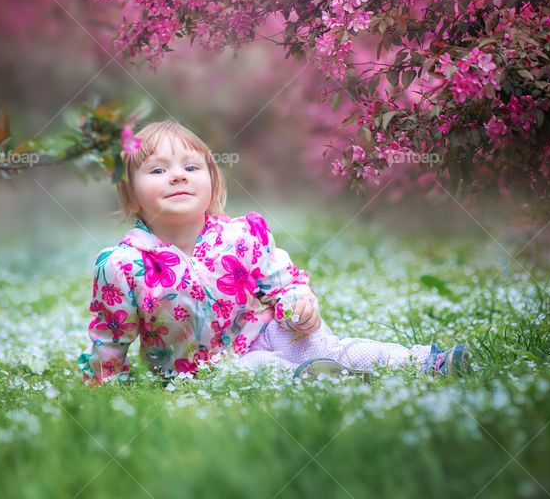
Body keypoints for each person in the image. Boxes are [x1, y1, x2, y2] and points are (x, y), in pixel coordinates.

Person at [77, 120, 469, 386]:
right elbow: (112, 335)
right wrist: (103, 383)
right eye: (158, 170)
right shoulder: (122, 264)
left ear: (213, 183)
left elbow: (285, 283)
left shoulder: (242, 235)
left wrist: (299, 305)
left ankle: (422, 362)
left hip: (267, 332)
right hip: (204, 368)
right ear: (131, 195)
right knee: (260, 370)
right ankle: (320, 383)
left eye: (191, 167)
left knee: (325, 346)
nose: (177, 175)